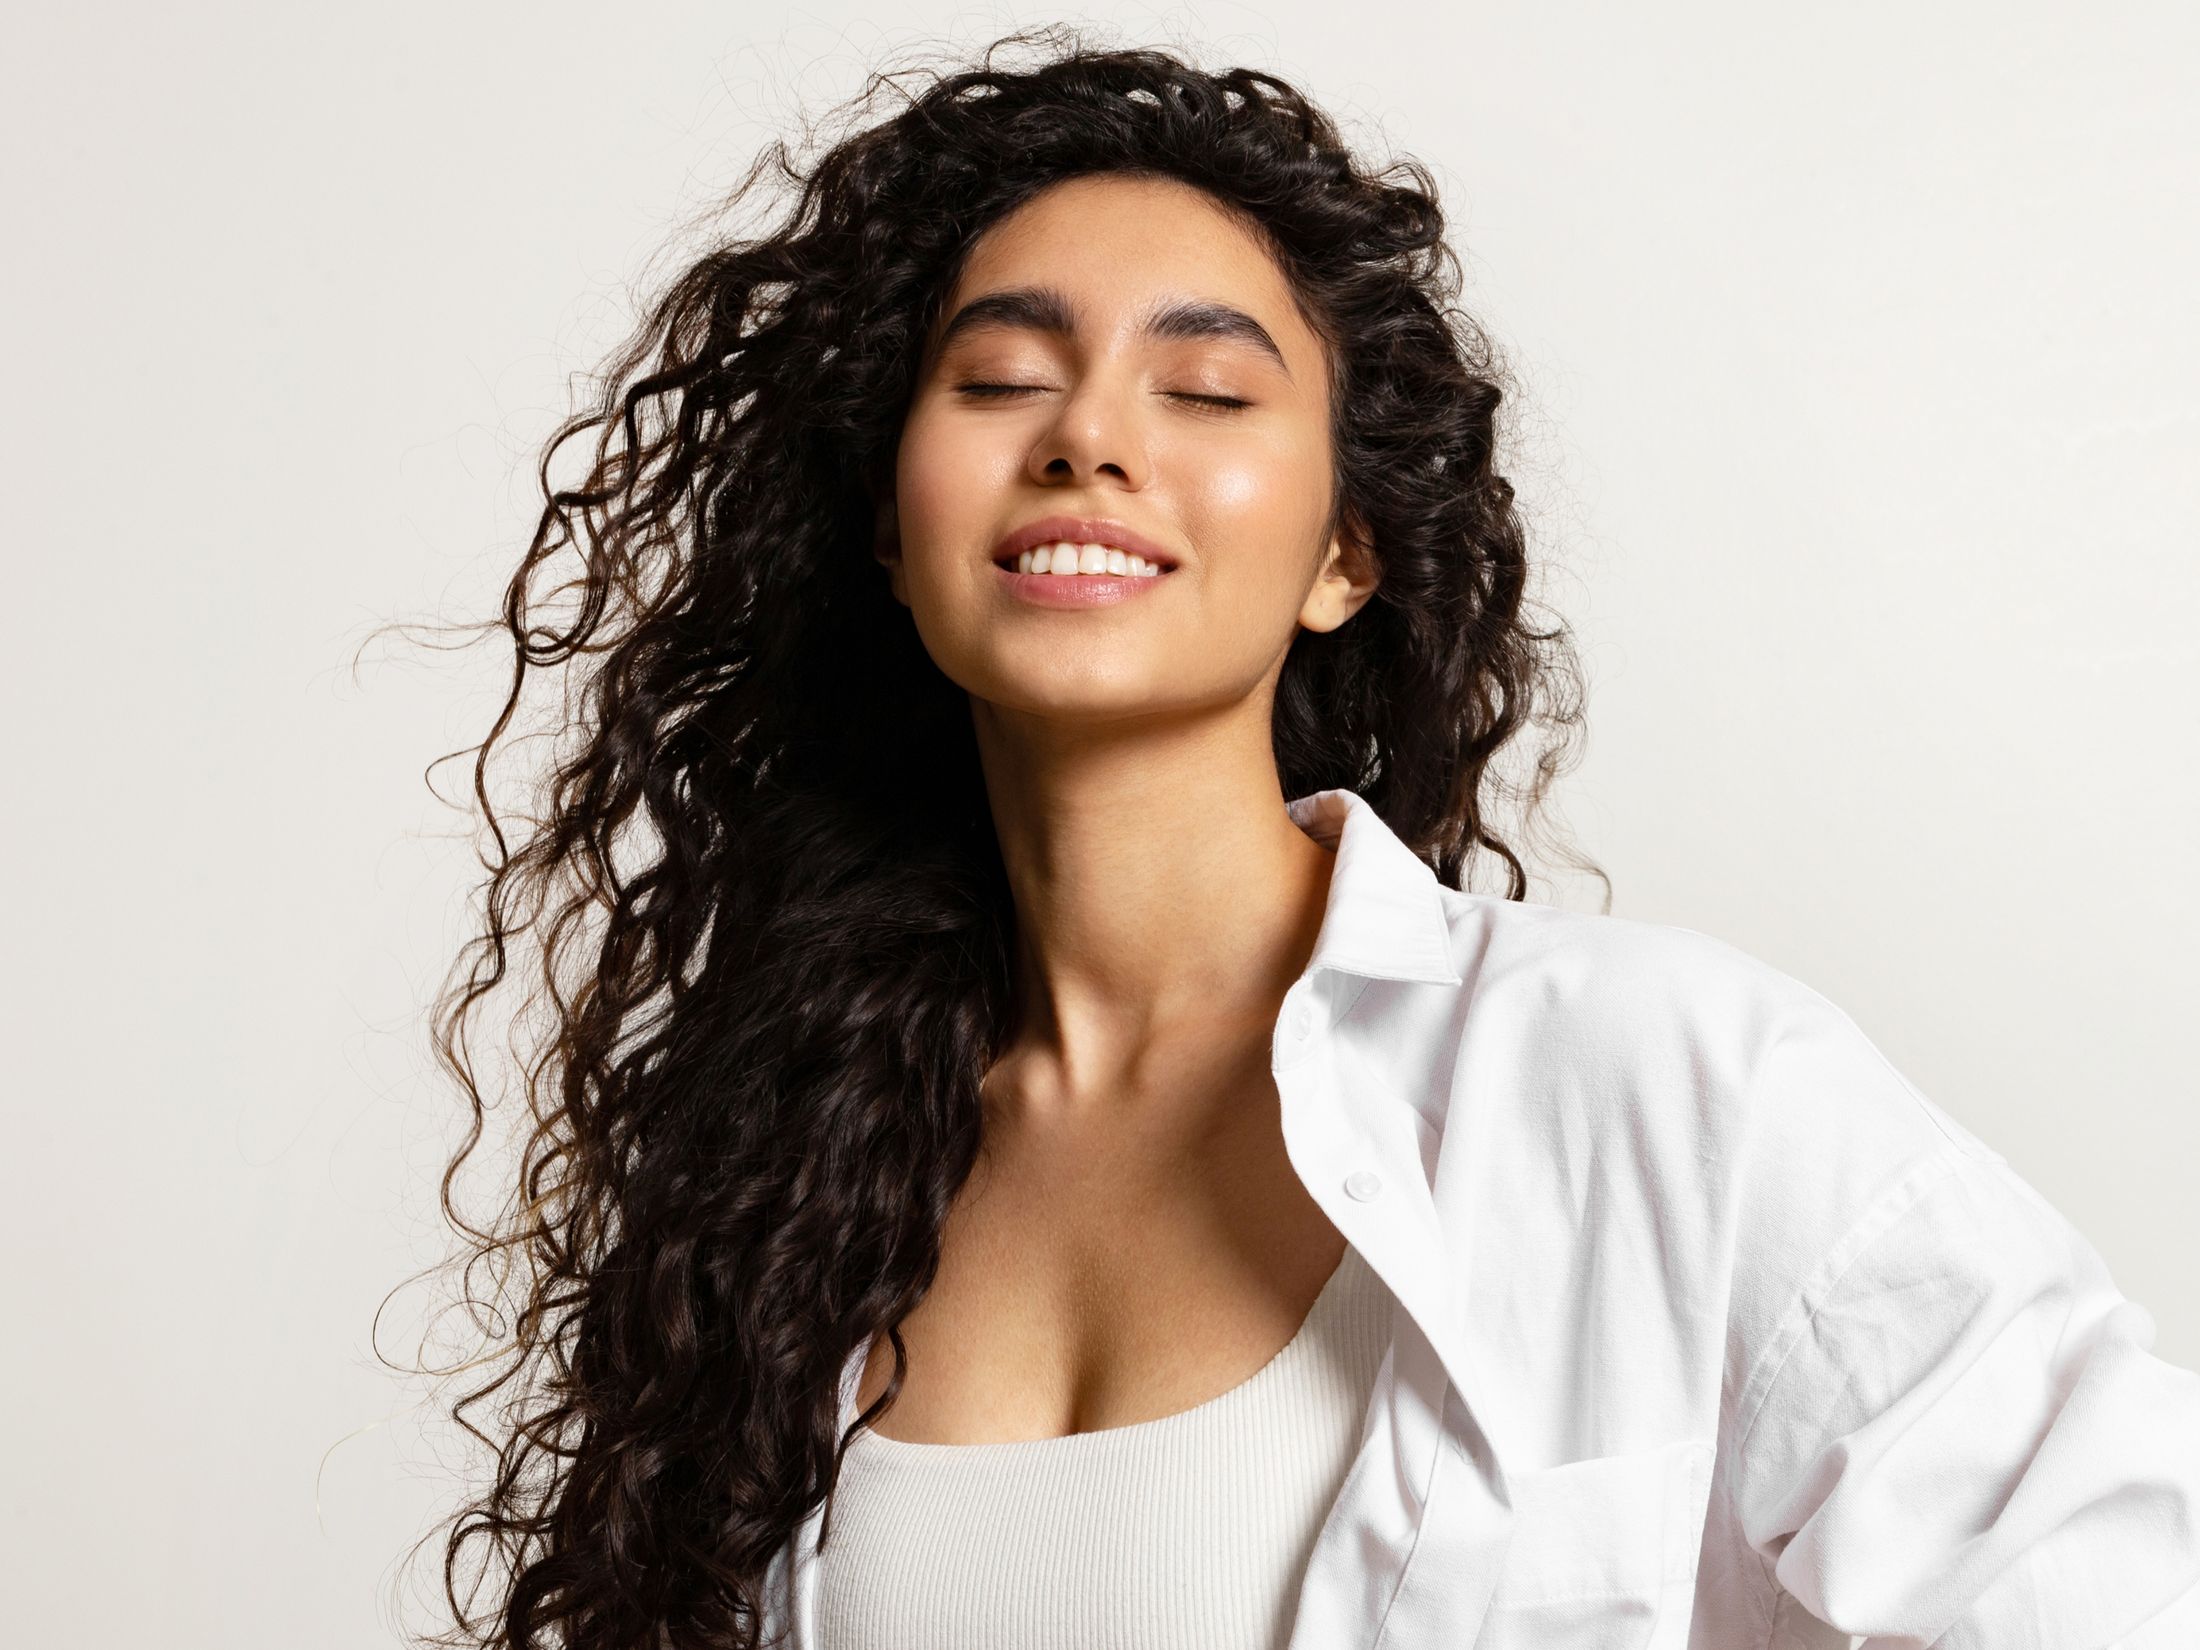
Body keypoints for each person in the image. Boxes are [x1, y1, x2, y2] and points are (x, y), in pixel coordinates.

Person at [407, 27, 2200, 1650]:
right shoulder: (790, 1181)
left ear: (1348, 552)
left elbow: (2117, 1587)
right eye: (1001, 378)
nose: (1092, 437)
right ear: (891, 528)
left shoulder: (1645, 1083)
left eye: (1207, 394)